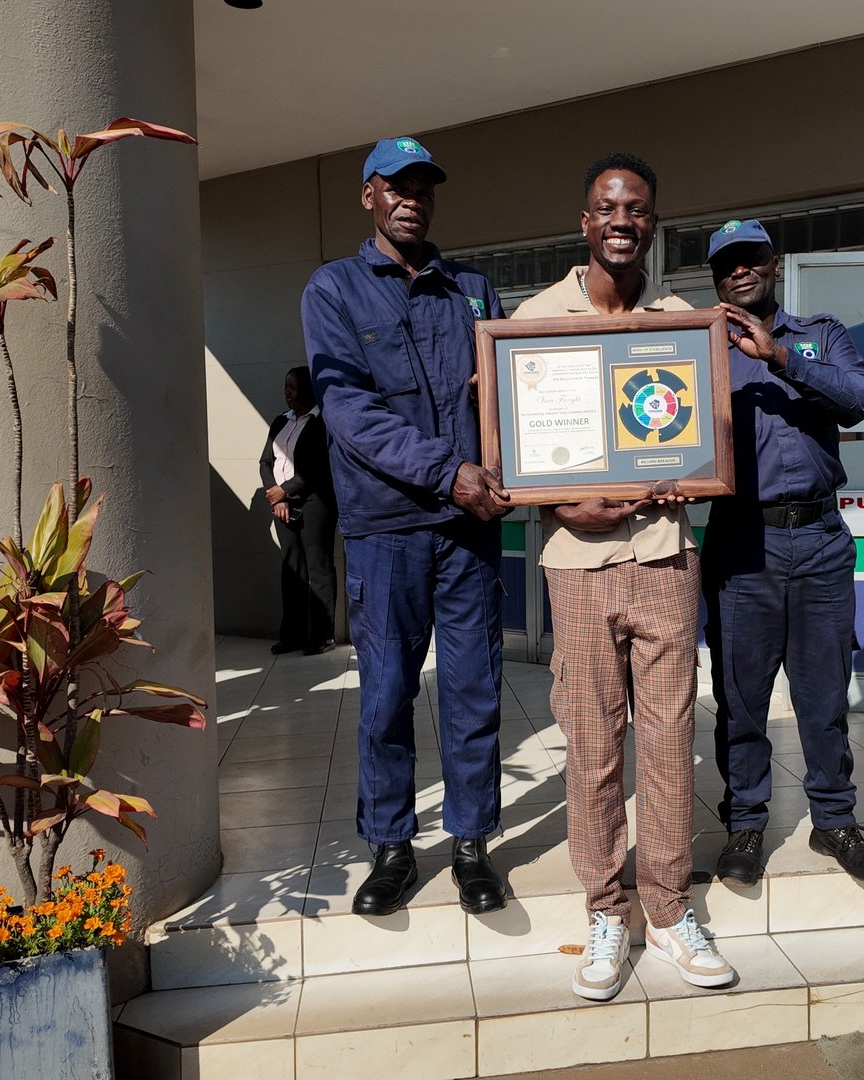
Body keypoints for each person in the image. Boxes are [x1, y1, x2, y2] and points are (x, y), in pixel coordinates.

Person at [512, 153, 734, 1000]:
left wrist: (691, 464)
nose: (620, 220)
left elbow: (700, 439)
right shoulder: (536, 320)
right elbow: (521, 461)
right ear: (585, 221)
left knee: (670, 745)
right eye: (607, 206)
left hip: (666, 558)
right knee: (594, 748)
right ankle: (608, 912)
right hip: (577, 568)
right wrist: (562, 507)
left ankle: (671, 910)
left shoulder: (684, 323)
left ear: (652, 222)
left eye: (636, 208)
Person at [302, 136, 511, 918]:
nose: (412, 199)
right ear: (369, 195)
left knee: (473, 691)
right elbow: (349, 412)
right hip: (388, 530)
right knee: (387, 695)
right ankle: (390, 846)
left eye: (424, 187)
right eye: (397, 186)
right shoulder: (334, 291)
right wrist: (449, 472)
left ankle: (469, 844)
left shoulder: (473, 290)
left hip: (467, 532)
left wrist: (514, 459)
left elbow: (512, 394)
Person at [702, 219, 864, 886]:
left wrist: (781, 359)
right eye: (727, 265)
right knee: (742, 699)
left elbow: (859, 399)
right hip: (740, 539)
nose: (740, 271)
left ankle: (834, 821)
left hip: (818, 540)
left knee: (822, 695)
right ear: (718, 277)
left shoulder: (821, 335)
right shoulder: (702, 350)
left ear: (774, 265)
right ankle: (746, 825)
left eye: (751, 258)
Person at [260, 366, 337, 656]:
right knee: (292, 569)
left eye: (292, 387)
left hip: (316, 503)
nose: (286, 393)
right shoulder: (281, 421)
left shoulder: (321, 423)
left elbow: (319, 470)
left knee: (318, 569)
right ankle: (291, 635)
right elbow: (265, 462)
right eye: (285, 387)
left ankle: (321, 636)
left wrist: (286, 490)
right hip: (282, 505)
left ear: (306, 389)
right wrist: (276, 497)